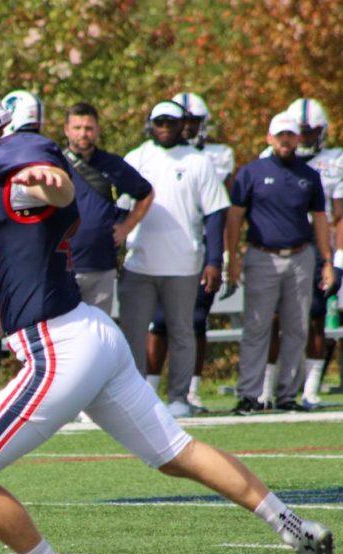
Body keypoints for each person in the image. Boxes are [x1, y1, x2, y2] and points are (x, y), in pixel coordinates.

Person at [0, 72, 335, 554]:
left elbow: (49, 180)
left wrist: (52, 182)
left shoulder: (8, 156)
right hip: (90, 333)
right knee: (174, 453)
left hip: (59, 345)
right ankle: (295, 527)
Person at [119, 100, 229, 419]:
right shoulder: (136, 158)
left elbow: (214, 214)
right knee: (133, 334)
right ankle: (134, 396)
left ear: (184, 125)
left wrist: (214, 261)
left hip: (184, 264)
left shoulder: (199, 162)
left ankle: (179, 396)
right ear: (150, 124)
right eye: (159, 122)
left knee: (182, 331)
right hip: (139, 263)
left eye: (171, 122)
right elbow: (120, 211)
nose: (165, 128)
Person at [226, 113, 335, 414]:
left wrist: (327, 260)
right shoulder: (251, 173)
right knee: (257, 327)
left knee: (297, 328)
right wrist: (232, 258)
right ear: (269, 139)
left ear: (298, 138)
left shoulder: (309, 175)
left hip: (301, 256)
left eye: (290, 135)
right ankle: (249, 394)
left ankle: (287, 395)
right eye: (280, 135)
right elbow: (235, 218)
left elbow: (321, 220)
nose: (286, 140)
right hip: (262, 256)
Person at [257, 98, 343, 409]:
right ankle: (266, 389)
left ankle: (310, 388)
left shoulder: (336, 160)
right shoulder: (270, 159)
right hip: (281, 242)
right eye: (301, 132)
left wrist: (337, 260)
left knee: (315, 317)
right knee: (272, 317)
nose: (304, 139)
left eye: (310, 132)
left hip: (315, 246)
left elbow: (340, 215)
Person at [147, 92, 236, 410]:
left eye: (192, 121)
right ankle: (149, 391)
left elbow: (217, 213)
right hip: (155, 254)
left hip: (194, 251)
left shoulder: (212, 157)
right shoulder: (148, 155)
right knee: (157, 323)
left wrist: (219, 258)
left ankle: (190, 391)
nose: (186, 128)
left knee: (194, 322)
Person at [61, 102, 154, 314]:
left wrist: (126, 227)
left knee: (99, 333)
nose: (83, 133)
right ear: (66, 130)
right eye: (77, 128)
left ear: (97, 130)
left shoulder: (112, 164)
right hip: (63, 266)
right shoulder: (55, 163)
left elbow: (146, 193)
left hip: (101, 266)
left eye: (89, 128)